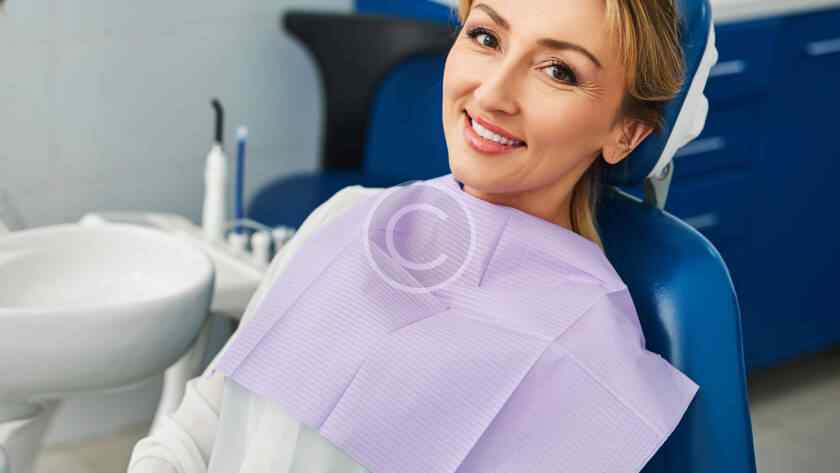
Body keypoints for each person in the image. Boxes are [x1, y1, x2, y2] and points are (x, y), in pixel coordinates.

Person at [128, 0, 695, 471]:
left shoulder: (586, 367)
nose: (492, 94)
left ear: (626, 134)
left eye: (558, 71)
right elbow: (201, 426)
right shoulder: (345, 220)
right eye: (486, 37)